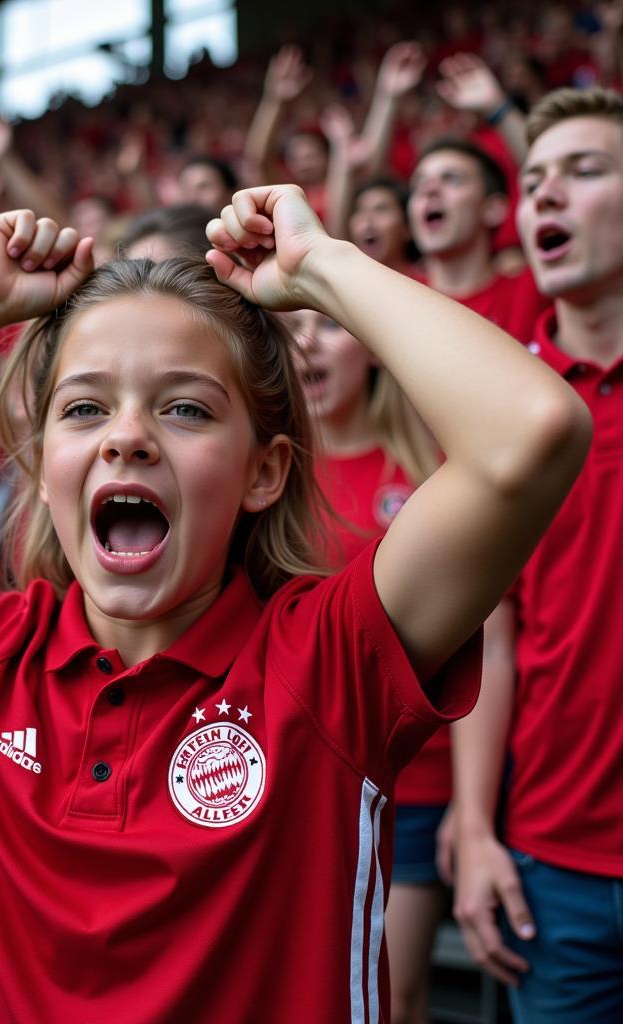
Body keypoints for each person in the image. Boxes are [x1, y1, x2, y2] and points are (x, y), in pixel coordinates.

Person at [0, 190, 590, 1022]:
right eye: (85, 407)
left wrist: (324, 266)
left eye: (184, 408)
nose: (126, 435)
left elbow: (530, 431)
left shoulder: (331, 659)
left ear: (265, 472)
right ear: (41, 464)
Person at [451, 86, 623, 1022]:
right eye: (536, 181)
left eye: (585, 172)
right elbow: (494, 640)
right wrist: (476, 831)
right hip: (551, 862)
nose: (547, 196)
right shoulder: (500, 403)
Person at [292, 307, 446, 1024]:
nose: (305, 342)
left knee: (394, 1000)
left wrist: (473, 812)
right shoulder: (261, 477)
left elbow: (488, 637)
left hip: (415, 787)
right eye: (288, 328)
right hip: (293, 780)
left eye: (326, 324)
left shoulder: (425, 477)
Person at [409, 137, 550, 341]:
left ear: (493, 209)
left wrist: (498, 111)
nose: (428, 190)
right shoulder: (390, 294)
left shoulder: (529, 293)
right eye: (418, 184)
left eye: (451, 179)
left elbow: (549, 179)